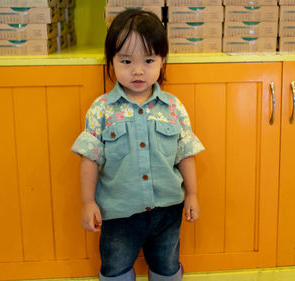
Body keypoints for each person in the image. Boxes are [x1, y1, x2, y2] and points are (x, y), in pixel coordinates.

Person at [71, 9, 204, 281]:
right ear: (112, 62)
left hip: (168, 211)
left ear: (162, 61)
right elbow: (90, 159)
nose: (138, 70)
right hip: (118, 214)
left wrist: (192, 194)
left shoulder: (174, 107)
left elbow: (185, 154)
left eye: (148, 60)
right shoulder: (101, 110)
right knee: (115, 267)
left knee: (166, 265)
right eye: (127, 60)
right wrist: (87, 202)